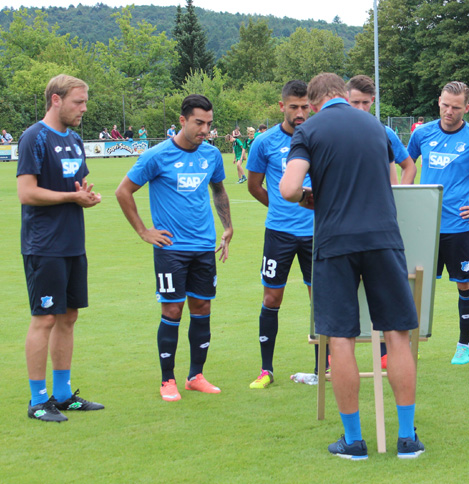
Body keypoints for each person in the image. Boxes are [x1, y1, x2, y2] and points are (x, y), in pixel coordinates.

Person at [280, 72, 424, 460]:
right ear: (345, 95)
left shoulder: (308, 131)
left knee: (341, 338)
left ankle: (354, 441)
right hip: (383, 238)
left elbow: (289, 189)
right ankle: (408, 438)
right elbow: (398, 172)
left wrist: (310, 195)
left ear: (312, 104)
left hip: (336, 243)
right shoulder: (377, 127)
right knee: (397, 335)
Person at [115, 94, 233, 402]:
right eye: (198, 123)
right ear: (182, 121)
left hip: (204, 246)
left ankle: (196, 376)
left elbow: (218, 189)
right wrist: (143, 231)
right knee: (172, 309)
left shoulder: (211, 155)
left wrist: (227, 227)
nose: (204, 130)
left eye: (208, 124)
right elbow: (123, 191)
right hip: (171, 249)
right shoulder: (157, 156)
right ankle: (167, 380)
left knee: (203, 308)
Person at [17, 74, 104, 422]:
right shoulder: (34, 137)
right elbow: (27, 192)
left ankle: (64, 394)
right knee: (45, 318)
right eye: (78, 102)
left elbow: (76, 184)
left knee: (68, 316)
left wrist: (86, 195)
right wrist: (72, 196)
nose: (83, 108)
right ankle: (38, 400)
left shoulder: (74, 139)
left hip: (72, 243)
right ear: (56, 100)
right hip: (44, 244)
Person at [407, 81, 469, 365]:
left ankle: (463, 345)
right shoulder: (422, 134)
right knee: (412, 283)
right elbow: (407, 166)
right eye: (445, 105)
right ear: (438, 102)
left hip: (457, 226)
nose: (449, 111)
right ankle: (405, 342)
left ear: (466, 108)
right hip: (424, 225)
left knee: (465, 285)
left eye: (456, 107)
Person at [246, 80, 318, 388]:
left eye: (305, 107)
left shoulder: (318, 139)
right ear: (282, 107)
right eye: (294, 107)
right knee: (272, 296)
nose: (300, 113)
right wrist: (278, 206)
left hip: (316, 232)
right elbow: (254, 185)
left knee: (320, 300)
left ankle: (322, 368)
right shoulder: (264, 142)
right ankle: (266, 370)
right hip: (279, 233)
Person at [347, 75, 417, 185]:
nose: (361, 108)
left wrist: (401, 196)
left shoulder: (385, 133)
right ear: (346, 100)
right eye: (355, 102)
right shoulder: (336, 133)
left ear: (372, 100)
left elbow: (409, 166)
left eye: (365, 102)